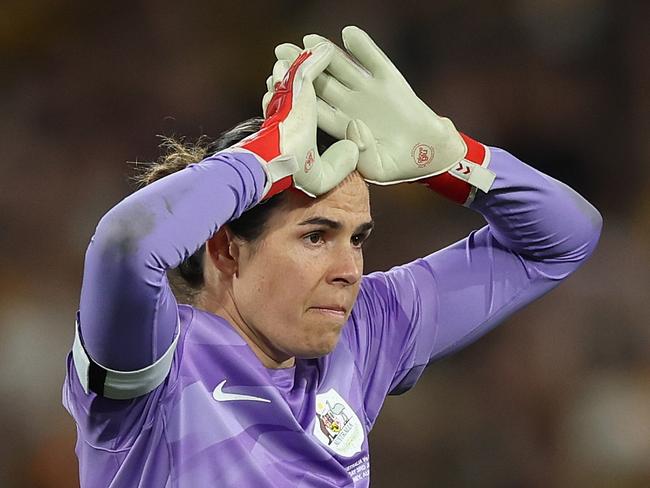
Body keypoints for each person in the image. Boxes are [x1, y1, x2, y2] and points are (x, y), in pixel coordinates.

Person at [63, 28, 602, 487]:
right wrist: (264, 159)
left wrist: (452, 159)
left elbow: (564, 237)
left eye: (358, 238)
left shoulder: (362, 336)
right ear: (227, 247)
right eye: (316, 237)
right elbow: (127, 246)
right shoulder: (156, 358)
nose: (349, 271)